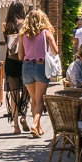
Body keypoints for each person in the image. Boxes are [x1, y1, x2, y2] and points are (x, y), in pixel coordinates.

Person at [18, 9, 58, 138]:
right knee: (40, 100)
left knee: (34, 99)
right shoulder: (46, 33)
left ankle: (38, 127)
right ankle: (35, 124)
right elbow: (55, 51)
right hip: (41, 66)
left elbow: (20, 56)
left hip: (26, 67)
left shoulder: (22, 34)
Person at [2, 1, 30, 135]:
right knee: (27, 90)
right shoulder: (25, 24)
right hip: (24, 61)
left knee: (13, 93)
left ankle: (16, 125)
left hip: (11, 61)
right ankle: (24, 116)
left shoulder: (5, 25)